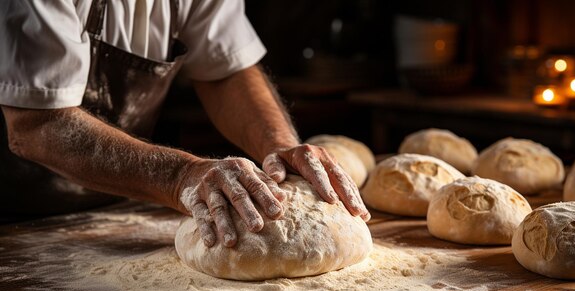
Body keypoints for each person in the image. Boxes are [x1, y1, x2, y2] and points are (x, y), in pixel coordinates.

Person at [0, 0, 370, 246]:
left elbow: (224, 69)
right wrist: (182, 176)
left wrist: (278, 145)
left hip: (109, 217)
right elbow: (36, 124)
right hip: (11, 222)